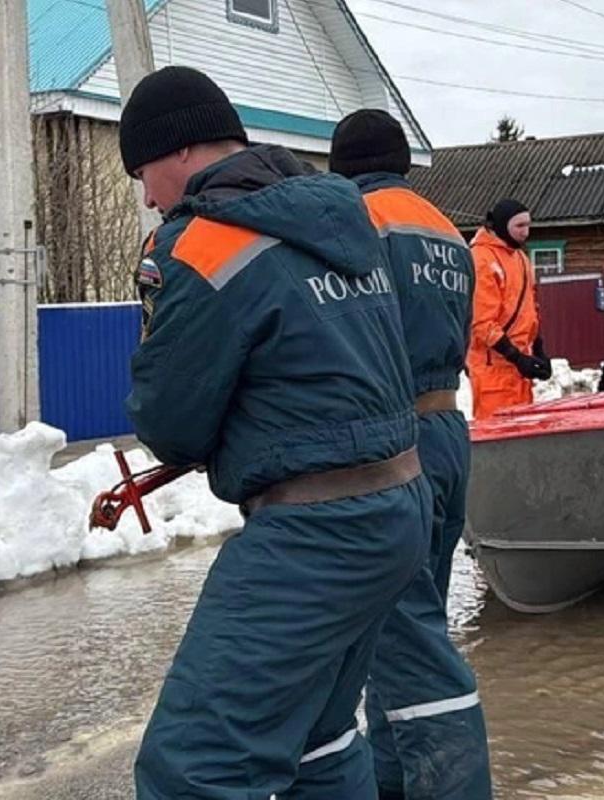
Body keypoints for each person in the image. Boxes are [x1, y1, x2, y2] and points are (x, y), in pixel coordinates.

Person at [121, 67, 431, 799]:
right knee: (320, 742)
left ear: (180, 152)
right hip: (399, 503)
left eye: (142, 172)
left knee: (191, 768)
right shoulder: (338, 221)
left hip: (315, 530)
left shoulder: (201, 244)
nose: (145, 195)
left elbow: (172, 421)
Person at [330, 108, 491, 800]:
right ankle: (390, 786)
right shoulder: (448, 233)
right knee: (401, 629)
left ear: (342, 165)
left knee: (405, 641)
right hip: (448, 429)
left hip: (390, 442)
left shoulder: (354, 220)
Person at [467, 199, 551, 420]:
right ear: (503, 225)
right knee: (497, 437)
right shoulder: (481, 259)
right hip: (492, 368)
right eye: (520, 226)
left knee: (522, 435)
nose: (526, 232)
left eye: (528, 225)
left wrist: (539, 349)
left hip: (519, 369)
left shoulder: (521, 258)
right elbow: (482, 323)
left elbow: (530, 309)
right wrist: (516, 357)